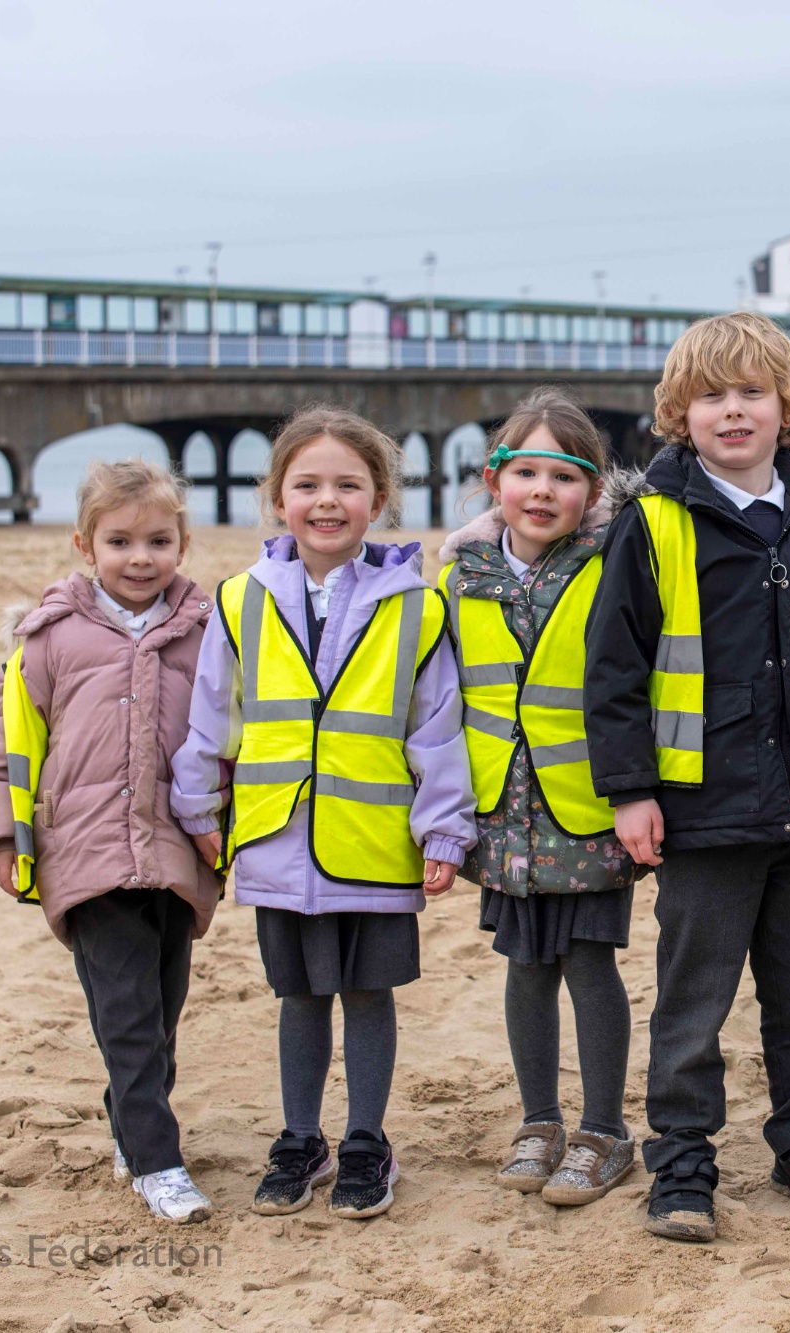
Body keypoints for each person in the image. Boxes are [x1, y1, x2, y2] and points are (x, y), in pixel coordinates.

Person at [583, 312, 790, 1242]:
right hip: (701, 810)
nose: (732, 411)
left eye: (751, 394)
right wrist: (631, 789)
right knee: (693, 1001)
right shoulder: (652, 521)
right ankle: (681, 1161)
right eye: (710, 396)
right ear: (679, 413)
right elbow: (615, 671)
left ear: (789, 407)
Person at [171, 404, 476, 1220]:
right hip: (277, 839)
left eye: (348, 484)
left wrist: (444, 826)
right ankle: (299, 1136)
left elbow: (436, 727)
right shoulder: (239, 599)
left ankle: (368, 1141)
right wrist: (198, 802)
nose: (327, 500)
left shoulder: (417, 603)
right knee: (299, 997)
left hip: (375, 844)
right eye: (307, 484)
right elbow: (214, 714)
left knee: (369, 994)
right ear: (277, 498)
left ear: (378, 498)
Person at [0, 459, 221, 1224]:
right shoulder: (48, 637)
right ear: (84, 544)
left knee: (162, 1006)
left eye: (158, 540)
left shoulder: (208, 633)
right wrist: (3, 841)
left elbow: (231, 736)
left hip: (176, 850)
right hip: (84, 852)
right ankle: (156, 1158)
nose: (140, 557)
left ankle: (128, 1120)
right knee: (126, 1007)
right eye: (120, 541)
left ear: (182, 542)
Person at [438, 387, 643, 1208]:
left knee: (590, 964)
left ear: (594, 493)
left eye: (565, 476)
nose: (542, 491)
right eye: (525, 471)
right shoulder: (460, 578)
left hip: (587, 808)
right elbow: (441, 699)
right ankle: (539, 1119)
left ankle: (603, 1128)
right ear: (495, 481)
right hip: (504, 812)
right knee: (525, 966)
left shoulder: (614, 567)